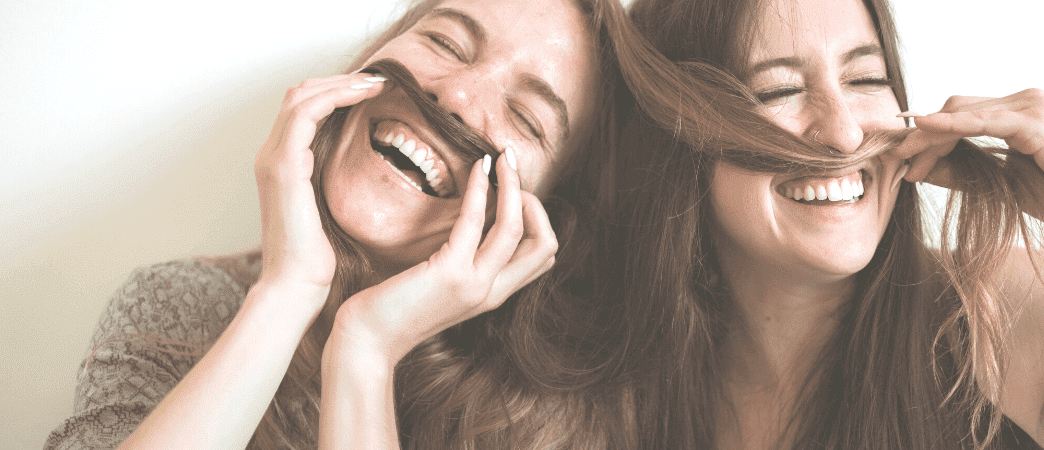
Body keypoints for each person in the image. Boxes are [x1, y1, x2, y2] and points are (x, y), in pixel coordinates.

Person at [578, 0, 1044, 448]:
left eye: (866, 78)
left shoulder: (997, 310)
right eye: (777, 91)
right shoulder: (602, 383)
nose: (846, 131)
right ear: (678, 135)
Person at [44, 0, 647, 448]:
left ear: (539, 225)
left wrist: (365, 348)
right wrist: (289, 292)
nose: (458, 97)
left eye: (526, 116)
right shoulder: (180, 309)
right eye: (447, 43)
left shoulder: (551, 422)